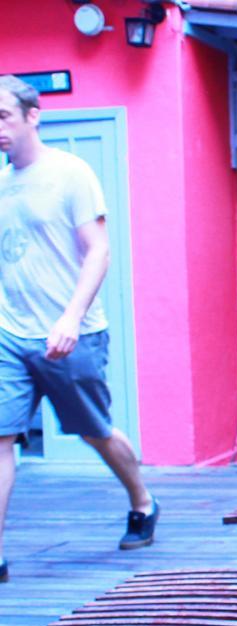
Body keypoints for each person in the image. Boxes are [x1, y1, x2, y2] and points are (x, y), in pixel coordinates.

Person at [0, 75, 158, 584]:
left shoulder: (70, 173)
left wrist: (69, 316)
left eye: (3, 116)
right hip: (10, 332)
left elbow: (99, 251)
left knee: (94, 431)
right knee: (1, 439)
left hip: (73, 334)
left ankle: (142, 500)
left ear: (32, 116)